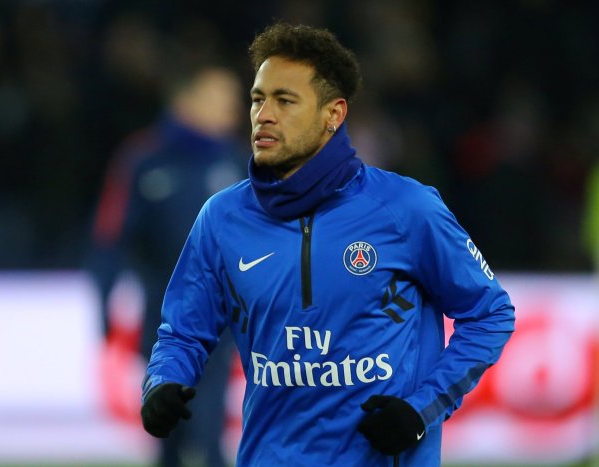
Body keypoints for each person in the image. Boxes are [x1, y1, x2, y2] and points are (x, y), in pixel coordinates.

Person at [140, 23, 515, 467]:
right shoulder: (222, 218)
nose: (264, 114)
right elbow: (184, 331)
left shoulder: (405, 209)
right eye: (259, 99)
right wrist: (163, 382)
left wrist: (422, 409)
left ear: (333, 115)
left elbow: (490, 314)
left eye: (285, 100)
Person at [89, 63, 245, 466]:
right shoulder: (143, 160)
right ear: (186, 101)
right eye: (219, 99)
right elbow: (110, 238)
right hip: (163, 320)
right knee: (169, 435)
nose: (231, 110)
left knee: (208, 434)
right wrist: (104, 307)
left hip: (221, 320)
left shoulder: (239, 160)